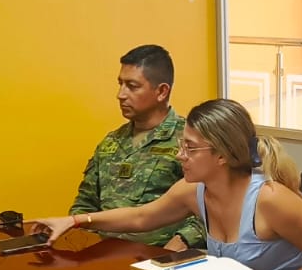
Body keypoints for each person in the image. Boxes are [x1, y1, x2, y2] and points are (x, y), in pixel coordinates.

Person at [36, 99, 302, 270]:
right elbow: (142, 217)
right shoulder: (194, 191)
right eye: (181, 145)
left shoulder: (270, 199)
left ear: (222, 155)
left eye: (190, 148)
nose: (180, 155)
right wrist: (75, 221)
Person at [67, 45, 203, 249]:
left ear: (161, 91)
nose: (120, 95)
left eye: (132, 86)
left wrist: (176, 247)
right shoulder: (111, 142)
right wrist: (89, 250)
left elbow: (211, 208)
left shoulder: (190, 141)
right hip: (105, 256)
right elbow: (85, 205)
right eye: (120, 84)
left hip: (161, 256)